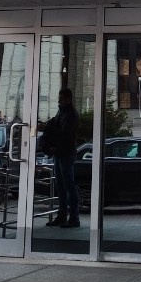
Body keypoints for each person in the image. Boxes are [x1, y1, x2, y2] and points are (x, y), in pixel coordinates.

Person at [45, 88, 80, 228]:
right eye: (59, 99)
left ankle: (74, 218)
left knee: (69, 185)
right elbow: (56, 127)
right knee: (60, 185)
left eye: (62, 99)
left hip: (66, 153)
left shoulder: (71, 115)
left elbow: (65, 135)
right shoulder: (61, 112)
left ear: (68, 99)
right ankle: (62, 215)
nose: (59, 101)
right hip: (59, 153)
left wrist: (49, 129)